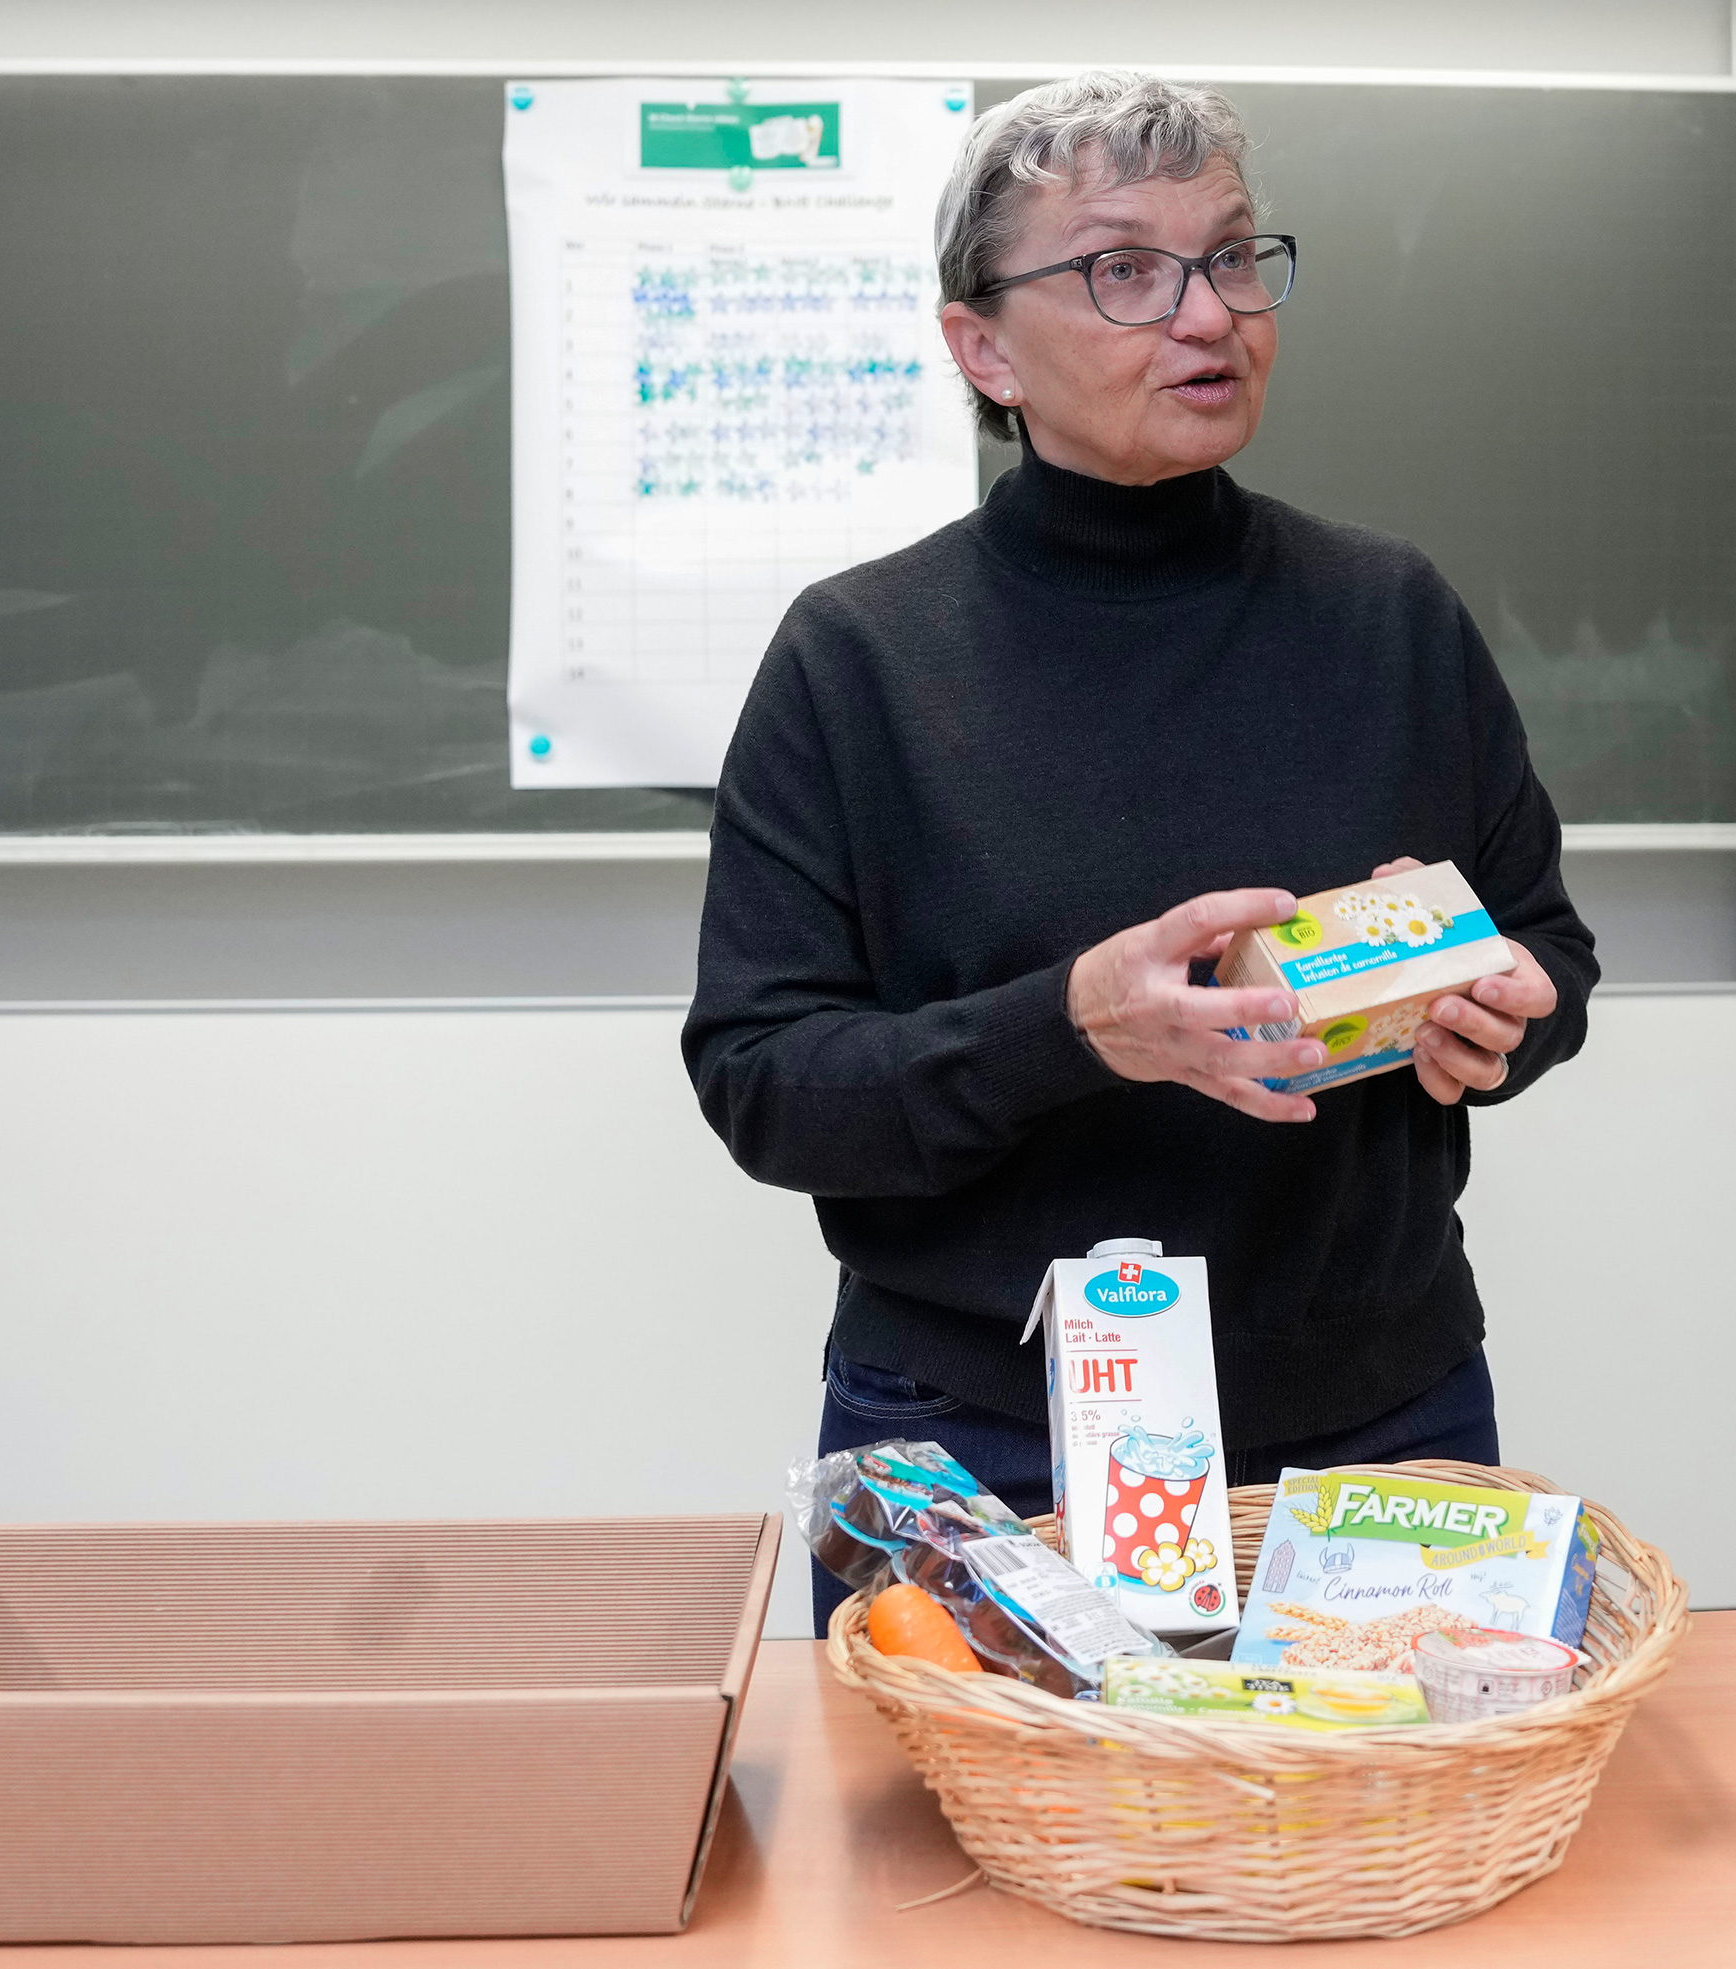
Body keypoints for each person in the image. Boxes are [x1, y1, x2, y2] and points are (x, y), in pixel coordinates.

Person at [680, 72, 1598, 1631]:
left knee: (1379, 1863)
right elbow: (766, 1083)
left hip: (1372, 1422)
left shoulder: (1389, 618)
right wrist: (1073, 1028)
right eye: (1122, 268)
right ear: (981, 345)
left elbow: (1549, 958)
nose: (1206, 315)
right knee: (966, 1865)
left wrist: (1485, 1017)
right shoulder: (860, 659)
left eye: (1234, 257)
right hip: (981, 1438)